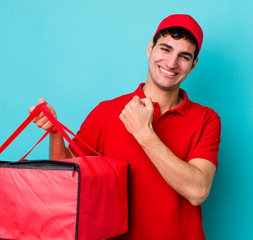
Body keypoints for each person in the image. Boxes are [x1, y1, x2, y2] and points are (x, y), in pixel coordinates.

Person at [30, 14, 221, 240]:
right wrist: (55, 133)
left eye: (184, 56)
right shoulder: (107, 111)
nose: (171, 63)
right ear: (150, 47)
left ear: (193, 65)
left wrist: (144, 133)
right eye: (165, 49)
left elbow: (197, 191)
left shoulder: (206, 119)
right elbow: (67, 179)